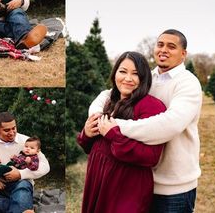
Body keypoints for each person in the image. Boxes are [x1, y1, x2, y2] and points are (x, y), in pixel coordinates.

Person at [89, 30, 202, 212]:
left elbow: (169, 124)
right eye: (160, 44)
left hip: (173, 187)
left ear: (183, 54)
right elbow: (107, 96)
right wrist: (96, 118)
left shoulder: (188, 83)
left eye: (171, 46)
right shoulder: (146, 78)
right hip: (139, 180)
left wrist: (115, 127)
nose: (164, 50)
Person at [77, 51, 166, 213]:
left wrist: (113, 135)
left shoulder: (151, 106)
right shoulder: (108, 101)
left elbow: (151, 156)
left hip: (126, 185)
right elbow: (91, 147)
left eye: (135, 74)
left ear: (144, 78)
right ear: (115, 73)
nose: (128, 78)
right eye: (123, 72)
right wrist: (86, 134)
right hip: (98, 177)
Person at [0, 112, 50, 213]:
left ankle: (14, 207)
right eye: (7, 130)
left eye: (14, 128)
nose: (12, 132)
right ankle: (17, 208)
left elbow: (45, 166)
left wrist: (20, 174)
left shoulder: (27, 142)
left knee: (23, 186)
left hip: (19, 183)